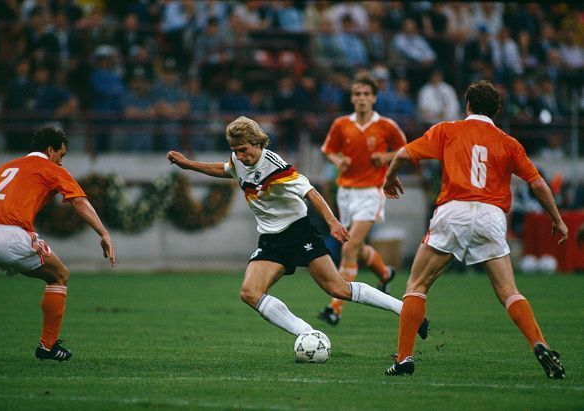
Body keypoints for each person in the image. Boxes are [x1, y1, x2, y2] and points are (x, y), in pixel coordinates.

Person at [167, 116, 428, 344]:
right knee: (250, 293)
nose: (241, 156)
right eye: (236, 150)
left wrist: (332, 222)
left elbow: (310, 192)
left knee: (338, 289)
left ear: (258, 143)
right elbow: (227, 170)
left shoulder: (277, 168)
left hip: (299, 232)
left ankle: (405, 310)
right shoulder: (238, 158)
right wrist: (189, 164)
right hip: (271, 239)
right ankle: (307, 334)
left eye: (245, 150)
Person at [382, 80, 567, 379]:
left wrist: (390, 178)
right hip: (492, 216)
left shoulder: (448, 130)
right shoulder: (508, 142)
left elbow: (403, 155)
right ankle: (540, 343)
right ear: (497, 110)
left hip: (454, 210)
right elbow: (538, 184)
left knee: (416, 286)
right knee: (509, 291)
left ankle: (404, 359)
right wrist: (557, 219)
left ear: (467, 105)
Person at [0, 126, 115, 361]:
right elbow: (79, 202)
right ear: (50, 150)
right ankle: (48, 346)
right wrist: (104, 233)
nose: (61, 162)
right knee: (59, 275)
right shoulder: (48, 167)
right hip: (12, 235)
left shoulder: (7, 166)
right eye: (61, 155)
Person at [317, 76, 411, 327]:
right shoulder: (341, 124)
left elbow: (407, 151)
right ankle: (384, 272)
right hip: (346, 193)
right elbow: (327, 150)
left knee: (348, 248)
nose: (361, 98)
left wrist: (387, 156)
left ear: (374, 98)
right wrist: (339, 162)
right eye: (357, 94)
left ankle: (334, 308)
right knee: (355, 247)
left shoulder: (386, 126)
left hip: (372, 192)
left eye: (366, 94)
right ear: (352, 98)